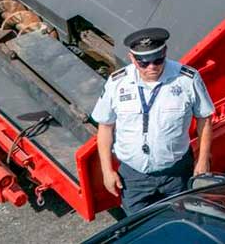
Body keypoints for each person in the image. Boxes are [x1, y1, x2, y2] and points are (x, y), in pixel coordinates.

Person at [92, 28, 216, 214]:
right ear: (132, 59)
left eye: (158, 60)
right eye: (144, 63)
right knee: (140, 227)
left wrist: (203, 160)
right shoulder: (117, 83)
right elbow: (105, 127)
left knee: (182, 219)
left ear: (165, 53)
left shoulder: (186, 79)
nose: (152, 67)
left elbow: (204, 119)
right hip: (133, 177)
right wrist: (107, 170)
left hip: (176, 173)